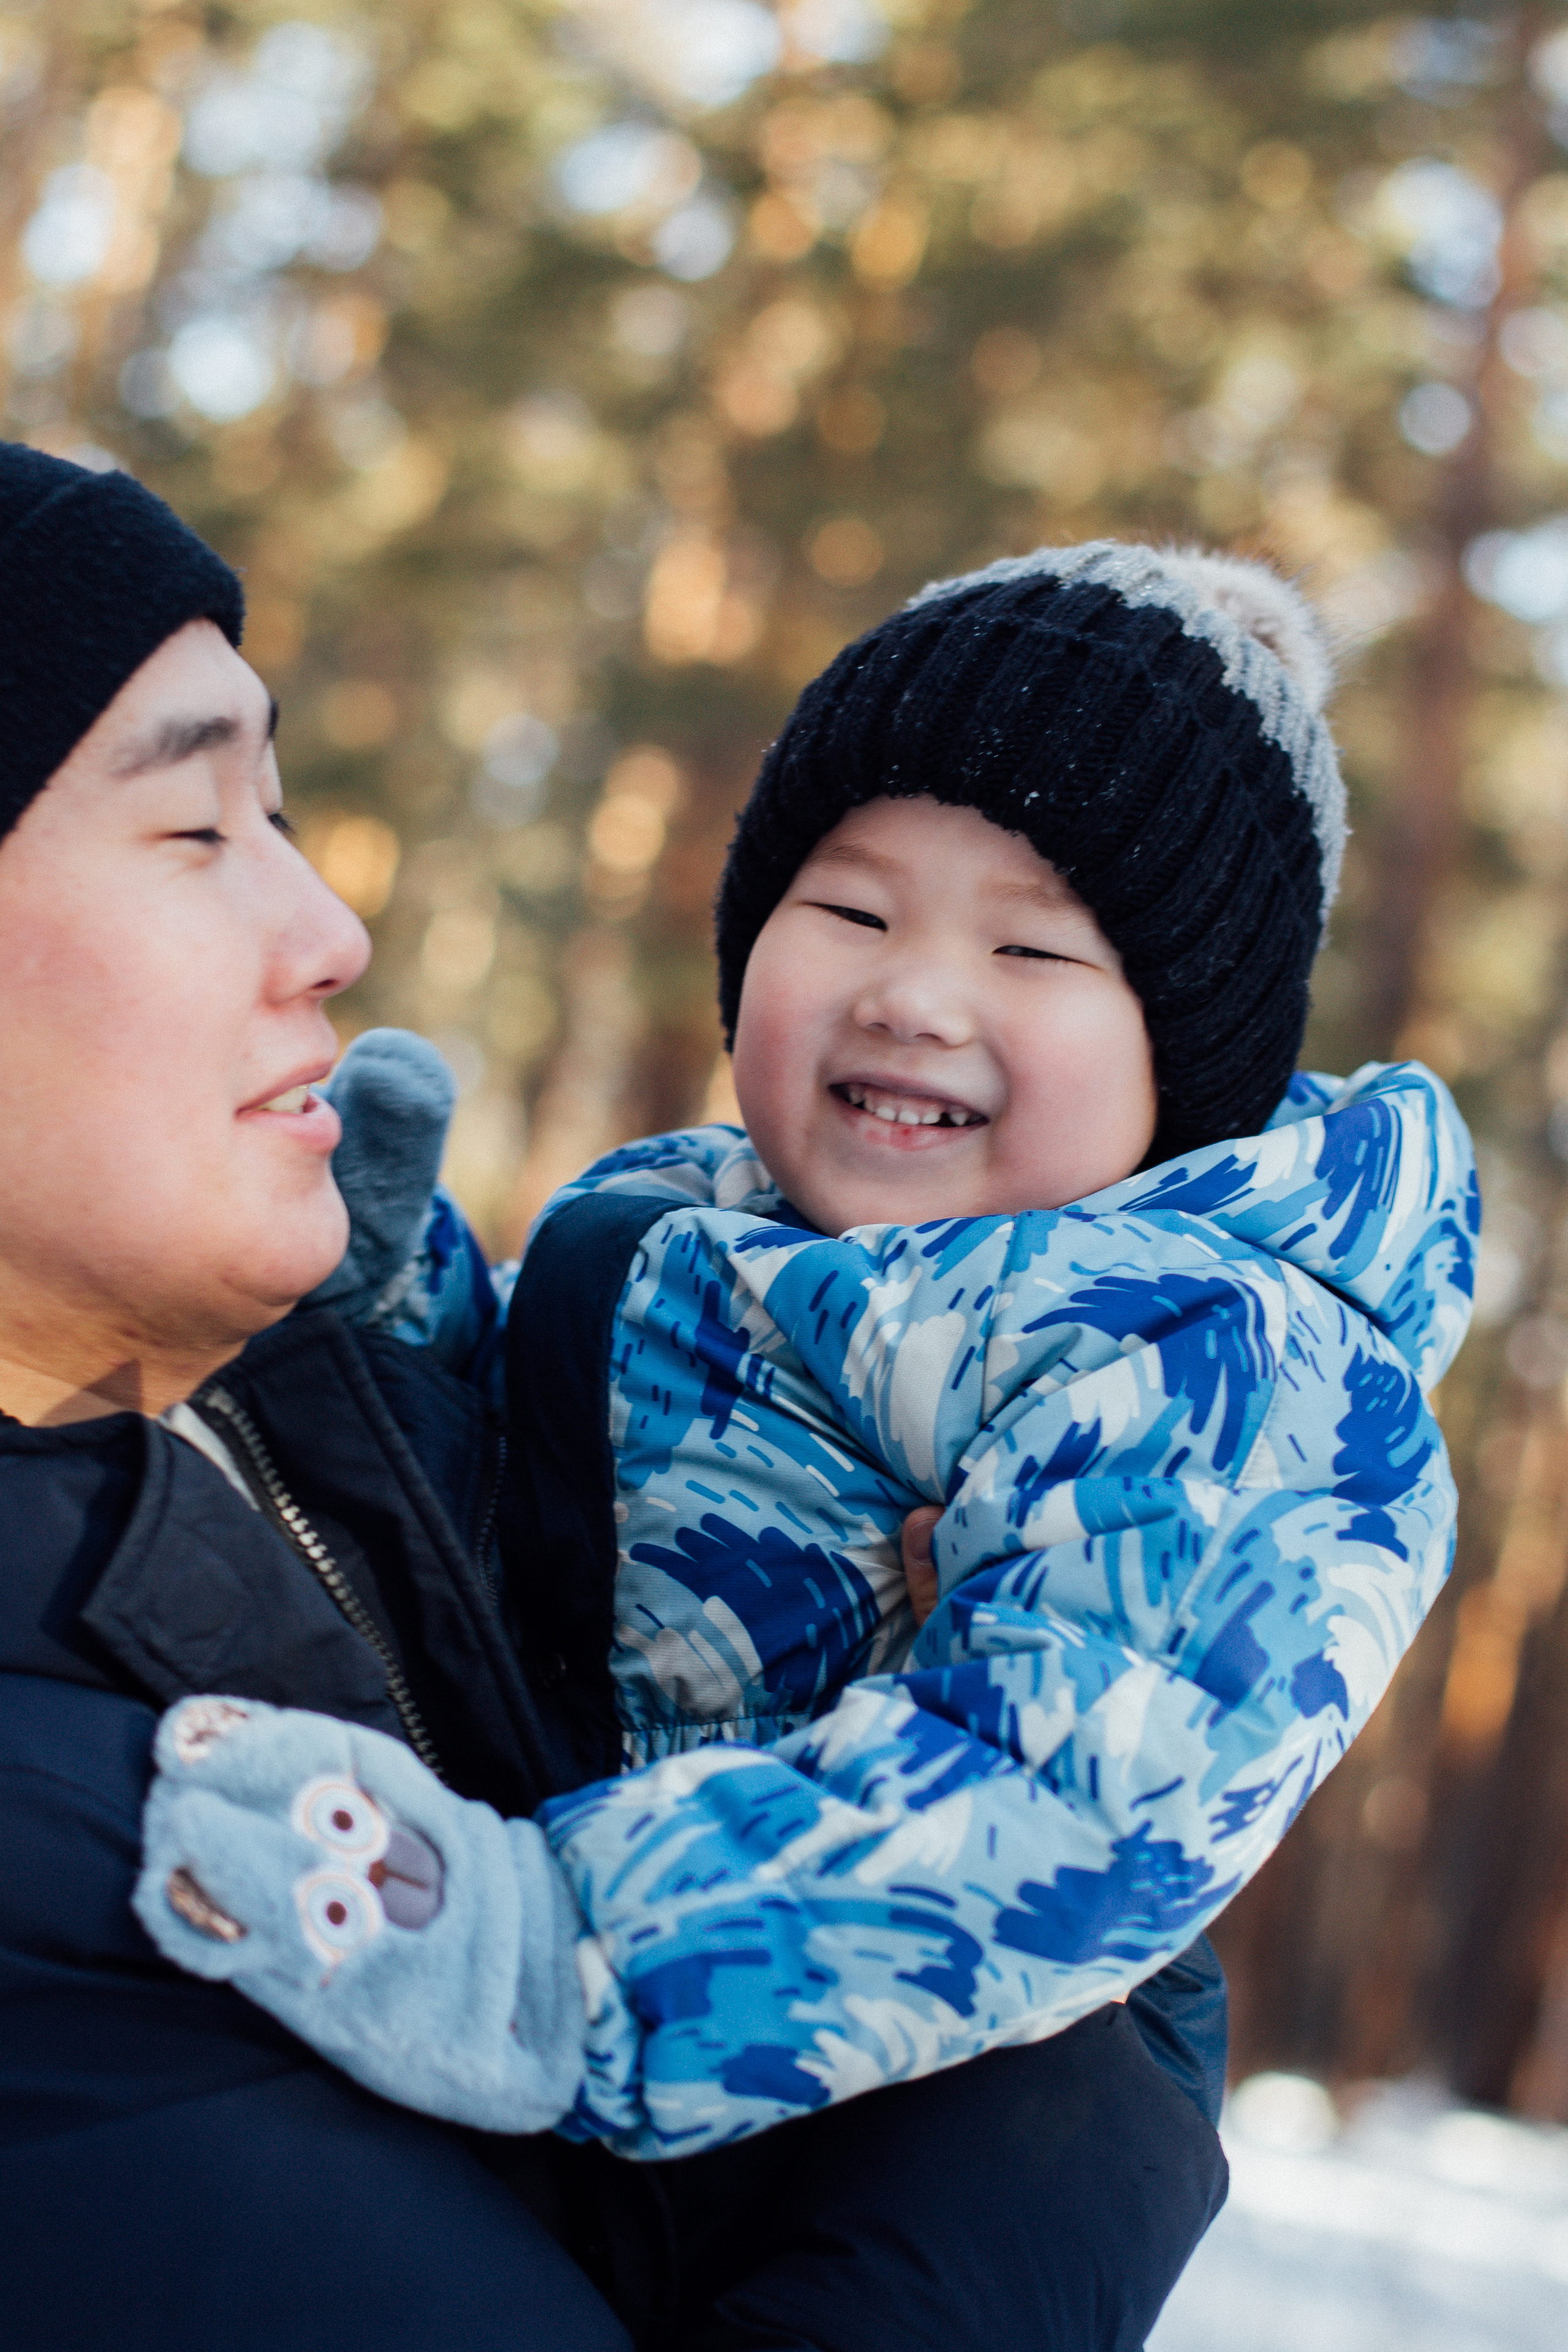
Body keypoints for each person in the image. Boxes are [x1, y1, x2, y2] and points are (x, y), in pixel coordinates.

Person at [0, 446, 1226, 2352]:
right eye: (192, 829)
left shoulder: (430, 1411)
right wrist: (1078, 2085)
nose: (332, 930)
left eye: (283, 811)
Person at [137, 554, 1473, 2220]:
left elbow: (1077, 1790)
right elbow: (523, 1506)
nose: (912, 994)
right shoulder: (679, 1226)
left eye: (1032, 948)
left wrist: (554, 1955)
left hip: (897, 2131)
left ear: (1186, 1058)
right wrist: (380, 1318)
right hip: (557, 2041)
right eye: (853, 912)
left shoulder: (1212, 1359)